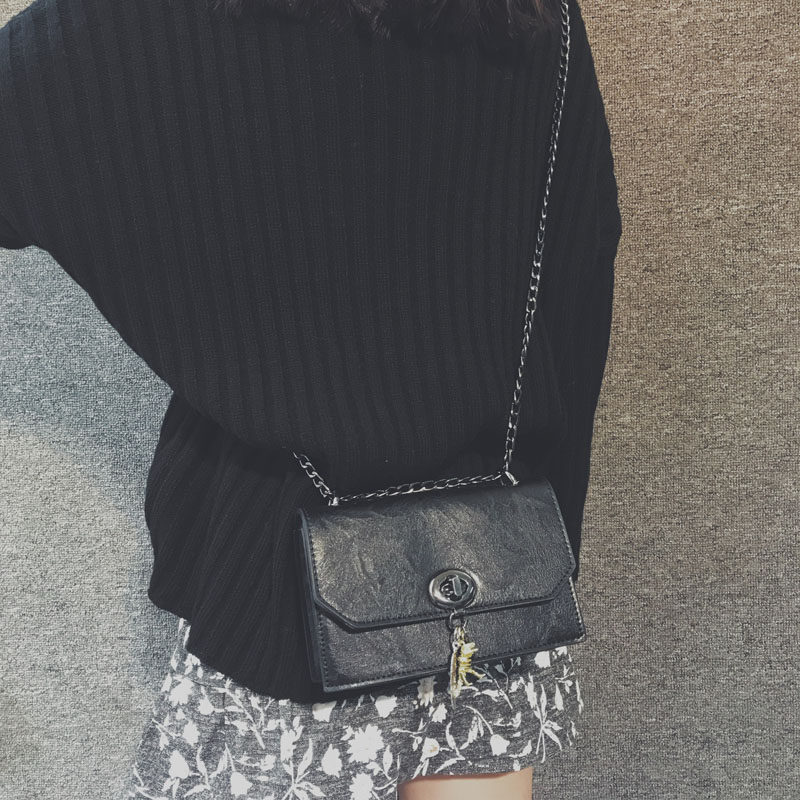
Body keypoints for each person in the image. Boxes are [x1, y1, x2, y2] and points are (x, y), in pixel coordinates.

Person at [0, 0, 622, 796]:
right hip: (490, 586)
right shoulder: (530, 15)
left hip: (281, 597)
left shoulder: (143, 23)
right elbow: (576, 285)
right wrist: (539, 553)